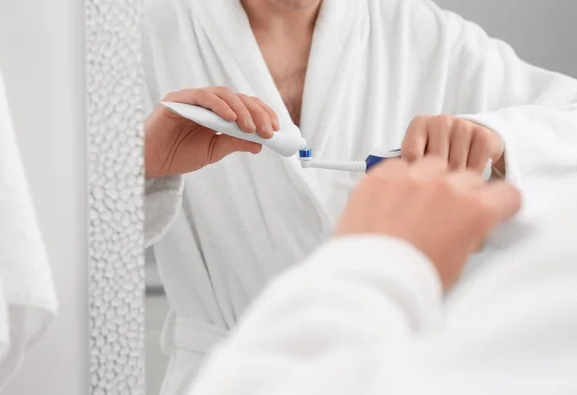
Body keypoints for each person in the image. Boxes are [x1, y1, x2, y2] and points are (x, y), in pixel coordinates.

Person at [143, 0, 577, 392]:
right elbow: (81, 236)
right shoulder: (145, 35)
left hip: (385, 372)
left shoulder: (423, 33)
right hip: (228, 372)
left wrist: (501, 139)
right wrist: (141, 166)